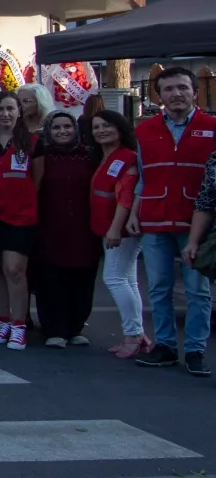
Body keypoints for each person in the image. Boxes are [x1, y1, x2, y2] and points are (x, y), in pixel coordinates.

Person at [133, 65, 216, 375]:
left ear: (195, 92)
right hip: (155, 219)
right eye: (168, 89)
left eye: (182, 87)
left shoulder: (212, 127)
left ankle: (195, 349)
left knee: (198, 291)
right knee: (158, 288)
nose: (176, 93)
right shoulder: (144, 130)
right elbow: (142, 177)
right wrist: (134, 213)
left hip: (197, 222)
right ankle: (165, 345)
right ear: (159, 96)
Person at [0, 89, 42, 350]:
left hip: (20, 216)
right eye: (0, 109)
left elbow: (37, 181)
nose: (5, 114)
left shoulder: (33, 142)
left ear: (19, 112)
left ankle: (19, 324)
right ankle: (3, 320)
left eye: (10, 109)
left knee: (14, 270)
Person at [34, 110, 99, 348]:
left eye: (67, 127)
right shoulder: (42, 156)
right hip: (50, 228)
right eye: (57, 127)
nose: (63, 131)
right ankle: (54, 330)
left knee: (82, 281)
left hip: (84, 229)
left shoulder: (90, 156)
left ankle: (75, 329)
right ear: (49, 131)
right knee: (51, 281)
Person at [91, 109, 147, 358]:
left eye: (106, 126)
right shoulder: (105, 156)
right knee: (128, 280)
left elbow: (126, 196)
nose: (101, 131)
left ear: (119, 128)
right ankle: (137, 333)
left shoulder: (127, 158)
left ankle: (133, 334)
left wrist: (115, 228)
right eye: (96, 127)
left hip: (121, 230)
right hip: (109, 227)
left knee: (114, 278)